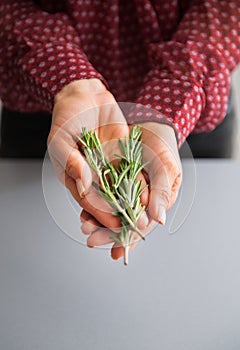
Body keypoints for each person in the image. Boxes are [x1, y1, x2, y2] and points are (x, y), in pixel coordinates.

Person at [0, 0, 239, 260]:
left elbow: (225, 8)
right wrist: (69, 81)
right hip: (49, 107)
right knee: (26, 239)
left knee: (209, 238)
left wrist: (169, 100)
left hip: (189, 103)